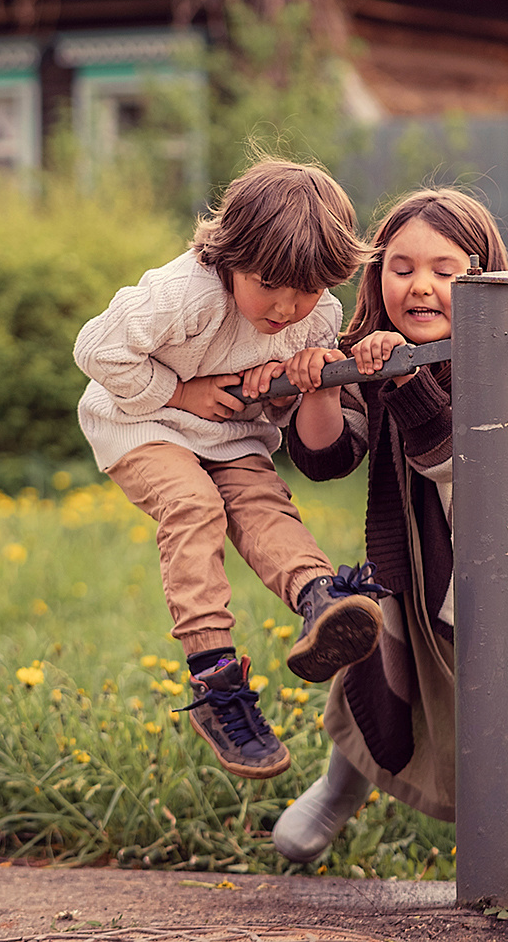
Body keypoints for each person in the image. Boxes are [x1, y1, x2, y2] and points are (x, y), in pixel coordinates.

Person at [271, 188, 508, 859]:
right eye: (400, 268)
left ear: (482, 276)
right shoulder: (373, 352)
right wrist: (321, 385)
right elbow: (328, 456)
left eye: (443, 270)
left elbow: (459, 464)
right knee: (376, 675)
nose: (420, 286)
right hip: (409, 564)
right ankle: (340, 787)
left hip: (498, 575)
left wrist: (403, 380)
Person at [73, 159, 385, 781]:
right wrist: (180, 393)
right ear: (232, 255)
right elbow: (97, 348)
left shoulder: (316, 317)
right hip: (145, 424)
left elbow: (282, 405)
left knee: (264, 504)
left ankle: (320, 598)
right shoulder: (184, 293)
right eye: (270, 285)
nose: (287, 307)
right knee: (195, 506)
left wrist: (286, 384)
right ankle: (215, 679)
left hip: (232, 433)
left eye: (307, 291)